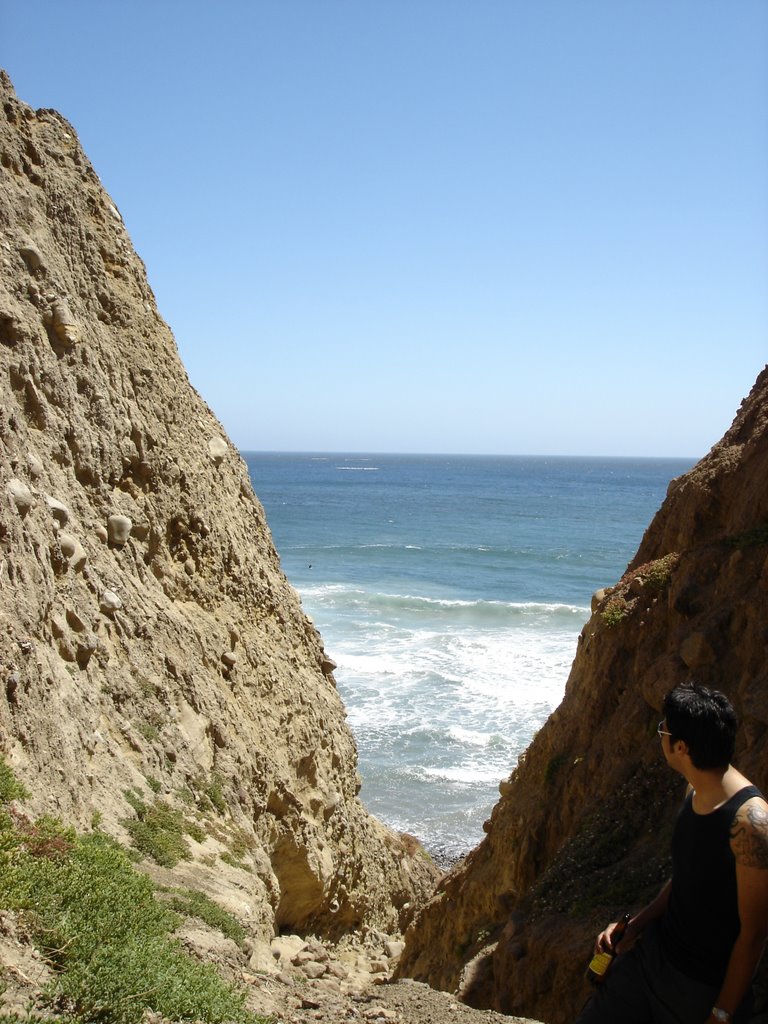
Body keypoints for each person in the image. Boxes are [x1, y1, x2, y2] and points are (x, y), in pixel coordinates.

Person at [576, 683, 768, 1024]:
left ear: (680, 747)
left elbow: (753, 935)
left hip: (700, 987)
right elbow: (686, 878)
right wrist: (635, 924)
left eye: (663, 730)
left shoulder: (752, 823)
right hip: (653, 960)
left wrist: (721, 1014)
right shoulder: (693, 790)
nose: (659, 736)